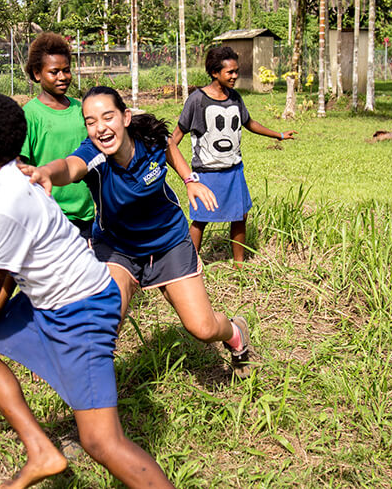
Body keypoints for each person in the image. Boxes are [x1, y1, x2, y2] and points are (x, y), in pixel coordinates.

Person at [0, 93, 173, 489]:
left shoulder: (3, 206)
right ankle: (42, 452)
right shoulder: (6, 178)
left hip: (83, 310)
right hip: (46, 300)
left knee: (101, 441)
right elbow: (7, 280)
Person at [25, 86, 254, 378]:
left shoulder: (149, 138)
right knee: (105, 320)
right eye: (90, 121)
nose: (100, 128)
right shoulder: (93, 155)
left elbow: (169, 145)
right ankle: (91, 389)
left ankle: (236, 333)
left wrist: (189, 179)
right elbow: (70, 167)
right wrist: (46, 172)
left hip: (168, 242)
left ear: (126, 117)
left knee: (203, 327)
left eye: (107, 117)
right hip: (118, 248)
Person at [170, 46, 296, 266]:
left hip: (233, 170)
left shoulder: (235, 98)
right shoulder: (196, 100)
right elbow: (176, 136)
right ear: (214, 73)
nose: (235, 76)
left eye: (236, 71)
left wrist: (279, 135)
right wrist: (166, 158)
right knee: (201, 219)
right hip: (206, 173)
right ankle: (191, 265)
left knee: (240, 216)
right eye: (230, 72)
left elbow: (249, 123)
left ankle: (240, 263)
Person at [20, 32, 95, 238]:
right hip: (48, 216)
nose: (62, 77)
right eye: (54, 72)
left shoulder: (82, 109)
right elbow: (20, 166)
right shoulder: (30, 114)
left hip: (88, 215)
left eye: (66, 70)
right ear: (37, 74)